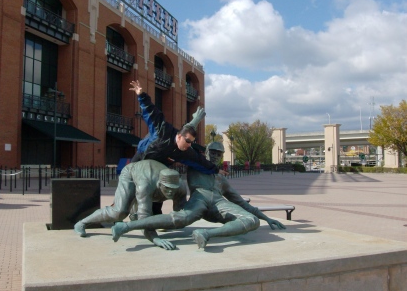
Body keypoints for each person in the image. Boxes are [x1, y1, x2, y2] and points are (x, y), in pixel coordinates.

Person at [111, 142, 285, 250]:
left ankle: (206, 234)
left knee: (251, 221)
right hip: (199, 199)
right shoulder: (194, 164)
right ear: (206, 152)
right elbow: (179, 147)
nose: (216, 156)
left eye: (219, 153)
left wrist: (266, 218)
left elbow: (240, 202)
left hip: (218, 203)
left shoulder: (220, 179)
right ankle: (125, 227)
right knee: (179, 219)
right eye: (213, 152)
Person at [130, 80, 227, 215]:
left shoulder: (186, 152)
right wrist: (141, 95)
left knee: (161, 185)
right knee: (128, 182)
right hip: (143, 156)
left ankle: (156, 214)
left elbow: (200, 161)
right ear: (179, 136)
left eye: (192, 142)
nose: (189, 145)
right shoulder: (163, 131)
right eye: (187, 141)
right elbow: (152, 113)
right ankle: (120, 207)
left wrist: (216, 169)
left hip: (160, 165)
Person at [73, 160, 187, 250]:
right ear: (159, 184)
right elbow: (144, 218)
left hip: (147, 173)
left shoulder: (180, 188)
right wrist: (155, 239)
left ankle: (134, 213)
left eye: (173, 189)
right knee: (119, 212)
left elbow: (180, 215)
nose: (171, 192)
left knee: (141, 209)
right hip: (131, 174)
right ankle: (82, 223)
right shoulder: (146, 186)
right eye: (167, 188)